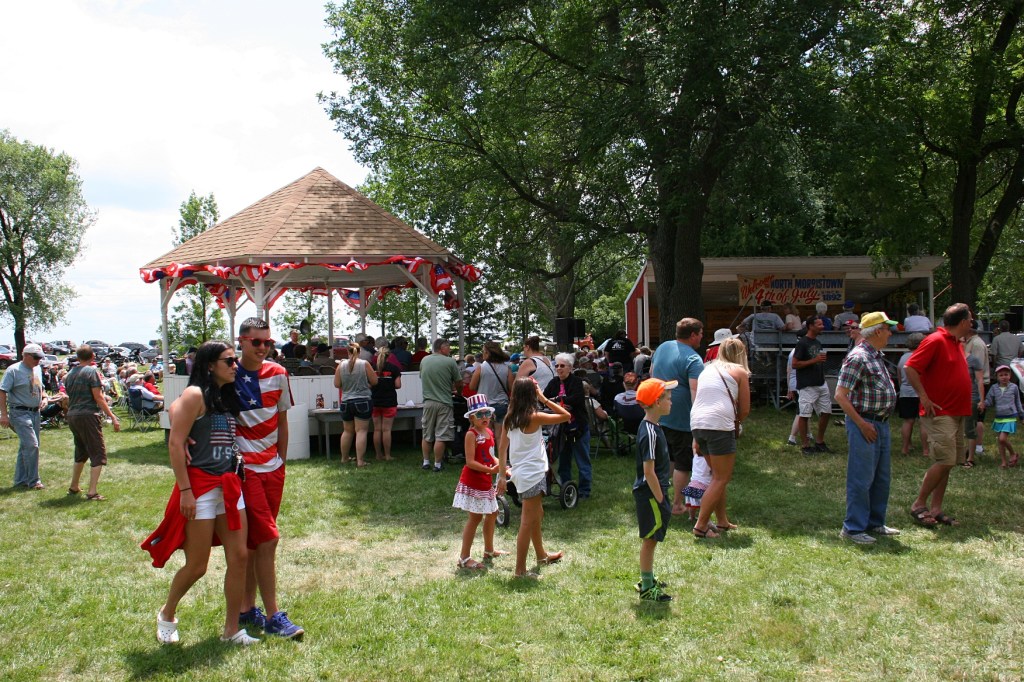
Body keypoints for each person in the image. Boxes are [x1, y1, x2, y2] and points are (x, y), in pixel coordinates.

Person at [143, 341, 256, 645]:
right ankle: (167, 613)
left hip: (230, 486)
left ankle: (231, 631)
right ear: (209, 365)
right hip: (201, 487)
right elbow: (175, 443)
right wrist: (185, 491)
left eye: (235, 361)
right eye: (229, 361)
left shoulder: (226, 394)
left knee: (241, 557)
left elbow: (177, 410)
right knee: (197, 566)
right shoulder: (196, 394)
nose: (235, 366)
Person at [233, 318, 303, 640]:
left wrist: (282, 462)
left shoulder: (278, 374)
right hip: (244, 471)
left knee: (256, 542)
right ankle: (275, 615)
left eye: (267, 343)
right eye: (256, 342)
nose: (263, 348)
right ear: (242, 341)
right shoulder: (227, 374)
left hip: (273, 468)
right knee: (269, 539)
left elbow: (282, 420)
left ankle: (246, 609)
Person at [833, 312, 901, 544]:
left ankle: (875, 522)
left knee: (881, 477)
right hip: (865, 423)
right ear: (878, 331)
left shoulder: (876, 356)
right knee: (861, 477)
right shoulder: (858, 357)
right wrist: (862, 424)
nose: (891, 333)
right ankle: (852, 529)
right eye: (888, 328)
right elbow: (841, 396)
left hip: (880, 423)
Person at [905, 303, 974, 528]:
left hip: (956, 411)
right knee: (944, 460)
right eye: (970, 320)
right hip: (940, 411)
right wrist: (923, 397)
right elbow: (911, 367)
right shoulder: (935, 340)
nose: (972, 323)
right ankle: (919, 504)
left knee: (950, 462)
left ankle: (936, 509)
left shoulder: (957, 343)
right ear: (962, 322)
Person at [497, 377, 570, 579]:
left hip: (521, 473)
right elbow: (566, 415)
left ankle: (541, 555)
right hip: (533, 474)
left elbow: (502, 449)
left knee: (537, 514)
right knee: (527, 522)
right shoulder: (534, 416)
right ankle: (520, 571)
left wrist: (502, 476)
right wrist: (544, 398)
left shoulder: (509, 418)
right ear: (531, 395)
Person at [690, 337, 750, 539]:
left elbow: (701, 398)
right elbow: (745, 409)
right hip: (719, 426)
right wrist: (736, 424)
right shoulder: (740, 372)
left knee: (717, 477)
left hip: (698, 423)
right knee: (721, 478)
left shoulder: (707, 370)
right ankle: (701, 526)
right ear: (742, 354)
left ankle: (722, 521)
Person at [650, 318, 705, 515]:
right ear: (692, 335)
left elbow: (651, 374)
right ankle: (678, 504)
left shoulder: (663, 347)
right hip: (683, 419)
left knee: (667, 459)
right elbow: (695, 392)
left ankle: (660, 497)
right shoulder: (694, 359)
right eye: (700, 333)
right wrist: (698, 420)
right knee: (684, 464)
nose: (701, 337)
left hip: (660, 413)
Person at [630, 377, 677, 602]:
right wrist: (660, 499)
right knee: (650, 540)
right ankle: (647, 586)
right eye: (668, 398)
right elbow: (649, 471)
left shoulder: (653, 426)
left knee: (653, 538)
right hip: (650, 494)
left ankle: (648, 577)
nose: (671, 402)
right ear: (657, 402)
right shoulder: (649, 431)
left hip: (654, 492)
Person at [453, 394, 506, 570]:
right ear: (471, 417)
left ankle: (489, 550)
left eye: (487, 414)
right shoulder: (471, 434)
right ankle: (464, 558)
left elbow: (491, 457)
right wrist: (491, 470)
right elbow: (470, 462)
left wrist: (503, 466)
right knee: (475, 518)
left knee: (492, 513)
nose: (485, 418)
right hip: (473, 481)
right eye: (480, 414)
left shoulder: (489, 432)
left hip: (484, 480)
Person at [64, 345, 121, 500]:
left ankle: (74, 486)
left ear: (78, 357)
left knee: (81, 450)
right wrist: (113, 416)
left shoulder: (69, 374)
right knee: (97, 452)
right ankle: (92, 492)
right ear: (93, 356)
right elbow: (98, 397)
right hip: (88, 415)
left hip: (73, 415)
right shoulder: (92, 372)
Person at [0, 343, 48, 489]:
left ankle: (20, 481)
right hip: (19, 413)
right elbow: (2, 391)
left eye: (40, 358)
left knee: (26, 447)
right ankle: (34, 481)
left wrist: (45, 398)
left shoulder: (37, 369)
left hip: (35, 413)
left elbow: (41, 389)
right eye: (35, 357)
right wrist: (4, 414)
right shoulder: (13, 370)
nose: (38, 360)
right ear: (25, 355)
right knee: (32, 446)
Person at [544, 352, 592, 499]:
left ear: (570, 368)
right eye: (557, 366)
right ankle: (567, 489)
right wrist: (560, 402)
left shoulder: (577, 381)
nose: (559, 369)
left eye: (562, 366)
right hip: (561, 430)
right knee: (564, 461)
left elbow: (576, 399)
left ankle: (584, 491)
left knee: (582, 460)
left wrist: (557, 400)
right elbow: (544, 399)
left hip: (578, 428)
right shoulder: (553, 382)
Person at [419, 338, 462, 472]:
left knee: (427, 434)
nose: (449, 350)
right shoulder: (450, 362)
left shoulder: (424, 360)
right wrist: (458, 392)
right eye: (448, 347)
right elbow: (459, 382)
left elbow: (422, 377)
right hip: (444, 402)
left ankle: (426, 462)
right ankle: (437, 464)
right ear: (441, 347)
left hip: (428, 402)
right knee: (441, 435)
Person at [335, 341, 379, 467]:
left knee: (347, 431)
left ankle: (344, 458)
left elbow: (337, 384)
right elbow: (375, 381)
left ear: (347, 352)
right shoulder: (364, 364)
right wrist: (366, 385)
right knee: (361, 431)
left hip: (346, 401)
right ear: (359, 352)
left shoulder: (341, 365)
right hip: (362, 400)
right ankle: (360, 461)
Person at [793, 315, 832, 455]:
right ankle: (805, 446)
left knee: (826, 412)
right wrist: (814, 360)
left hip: (821, 383)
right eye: (820, 324)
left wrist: (818, 362)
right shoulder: (802, 343)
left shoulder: (817, 342)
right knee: (805, 414)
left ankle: (820, 442)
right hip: (807, 385)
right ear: (810, 326)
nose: (823, 326)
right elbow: (795, 364)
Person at [469, 340, 514, 451]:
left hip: (485, 405)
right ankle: (502, 460)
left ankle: (489, 458)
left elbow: (472, 386)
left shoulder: (481, 367)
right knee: (500, 436)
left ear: (488, 353)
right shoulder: (506, 368)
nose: (483, 354)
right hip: (502, 405)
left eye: (484, 352)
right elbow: (511, 388)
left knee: (486, 434)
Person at [897, 333, 929, 457]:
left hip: (905, 393)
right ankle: (926, 450)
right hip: (921, 393)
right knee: (924, 422)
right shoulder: (923, 356)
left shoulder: (903, 358)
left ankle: (905, 447)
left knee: (907, 421)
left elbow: (899, 378)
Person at [985, 366, 1023, 468]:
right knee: (1000, 441)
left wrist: (1022, 416)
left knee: (1002, 439)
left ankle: (1012, 453)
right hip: (999, 417)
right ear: (997, 377)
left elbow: (1018, 403)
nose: (1003, 377)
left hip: (1010, 417)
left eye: (1006, 374)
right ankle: (1003, 462)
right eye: (1001, 375)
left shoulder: (1014, 387)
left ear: (1010, 376)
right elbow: (989, 401)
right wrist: (983, 404)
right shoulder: (994, 388)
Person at [371, 344, 402, 461]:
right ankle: (388, 455)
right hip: (389, 402)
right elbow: (398, 385)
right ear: (389, 356)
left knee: (377, 429)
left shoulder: (373, 368)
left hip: (375, 401)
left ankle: (378, 455)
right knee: (386, 430)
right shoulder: (394, 369)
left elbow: (369, 384)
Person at [963, 320, 990, 455]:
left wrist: (981, 398)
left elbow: (977, 369)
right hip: (971, 386)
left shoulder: (977, 344)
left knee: (977, 419)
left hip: (979, 385)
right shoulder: (969, 342)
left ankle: (978, 447)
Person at [962, 337, 985, 468]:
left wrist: (981, 400)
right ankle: (960, 455)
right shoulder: (953, 359)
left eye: (961, 341)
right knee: (957, 428)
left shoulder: (973, 360)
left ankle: (970, 458)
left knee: (970, 428)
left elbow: (980, 380)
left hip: (971, 397)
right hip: (956, 398)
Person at [682, 453, 712, 522]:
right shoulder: (708, 460)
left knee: (692, 506)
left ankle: (691, 517)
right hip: (702, 486)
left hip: (692, 485)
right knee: (705, 506)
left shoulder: (695, 457)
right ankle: (706, 520)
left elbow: (694, 448)